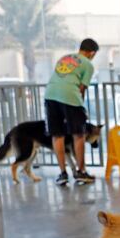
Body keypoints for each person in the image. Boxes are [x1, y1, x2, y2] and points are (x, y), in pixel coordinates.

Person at [44, 38, 99, 186]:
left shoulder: (64, 58)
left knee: (57, 135)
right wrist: (81, 108)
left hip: (50, 94)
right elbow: (81, 89)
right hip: (70, 96)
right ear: (91, 53)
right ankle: (81, 172)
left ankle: (62, 174)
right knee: (78, 134)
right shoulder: (88, 64)